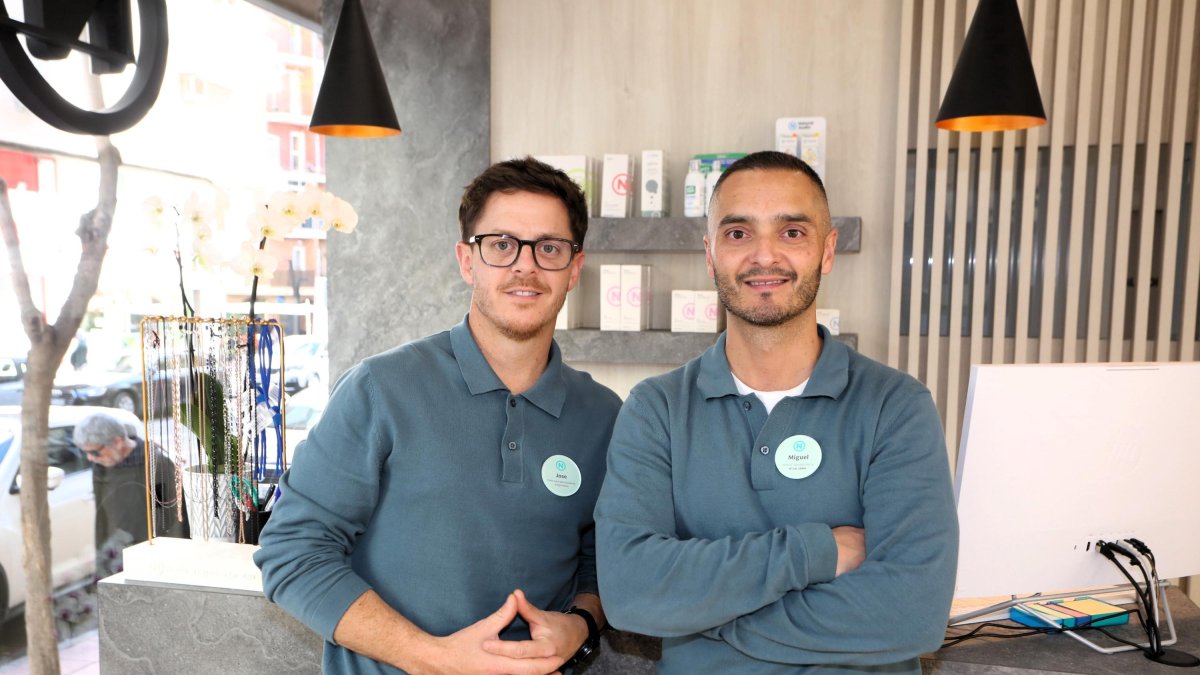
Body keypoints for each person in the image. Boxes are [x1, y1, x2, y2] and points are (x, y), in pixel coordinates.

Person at [594, 151, 958, 674]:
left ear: (828, 250)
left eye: (792, 232)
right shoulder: (657, 410)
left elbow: (911, 613)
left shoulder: (896, 407)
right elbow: (631, 592)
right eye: (738, 233)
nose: (764, 256)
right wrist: (817, 553)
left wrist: (699, 616)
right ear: (710, 253)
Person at [255, 157, 622, 675]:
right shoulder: (380, 389)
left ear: (574, 269)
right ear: (466, 261)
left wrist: (581, 626)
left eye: (549, 248)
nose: (526, 266)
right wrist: (431, 658)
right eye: (501, 245)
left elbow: (603, 560)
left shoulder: (603, 416)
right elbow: (292, 552)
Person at [73, 411, 186, 578]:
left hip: (153, 560)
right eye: (86, 453)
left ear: (117, 442)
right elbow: (102, 516)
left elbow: (170, 519)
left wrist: (169, 567)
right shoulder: (102, 466)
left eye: (95, 452)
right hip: (118, 555)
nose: (90, 458)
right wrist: (102, 558)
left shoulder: (157, 466)